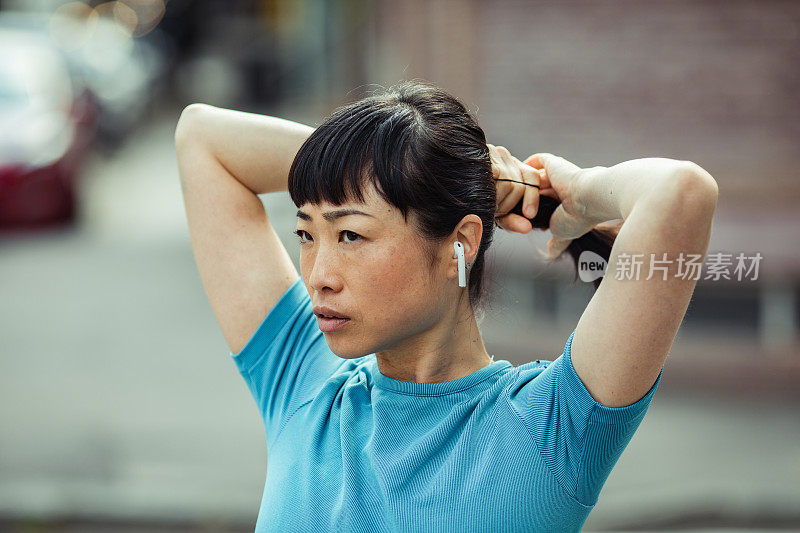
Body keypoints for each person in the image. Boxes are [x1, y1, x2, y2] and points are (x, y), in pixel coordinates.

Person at [174, 80, 718, 532]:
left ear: (460, 242)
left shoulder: (551, 430)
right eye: (306, 234)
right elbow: (201, 136)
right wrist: (418, 166)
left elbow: (682, 193)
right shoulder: (306, 386)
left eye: (350, 236)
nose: (318, 277)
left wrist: (578, 191)